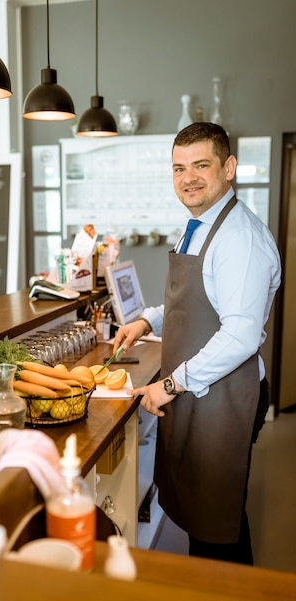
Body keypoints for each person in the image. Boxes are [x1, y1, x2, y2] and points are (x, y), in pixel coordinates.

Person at [113, 122, 281, 565]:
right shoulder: (200, 225)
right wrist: (146, 320)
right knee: (208, 519)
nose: (188, 177)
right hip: (202, 392)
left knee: (217, 527)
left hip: (224, 397)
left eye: (201, 165)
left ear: (228, 168)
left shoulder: (238, 238)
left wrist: (168, 385)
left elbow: (241, 335)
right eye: (178, 168)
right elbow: (196, 302)